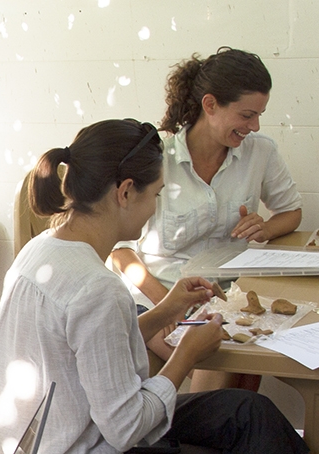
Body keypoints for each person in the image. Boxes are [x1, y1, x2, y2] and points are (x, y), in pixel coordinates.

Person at [0, 119, 309, 454]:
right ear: (124, 192)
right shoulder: (97, 288)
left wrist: (166, 309)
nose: (154, 206)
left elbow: (92, 349)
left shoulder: (43, 248)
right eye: (156, 194)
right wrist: (186, 354)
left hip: (44, 434)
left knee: (248, 412)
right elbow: (126, 428)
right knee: (254, 429)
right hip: (78, 443)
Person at [110, 47, 302, 390]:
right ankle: (198, 435)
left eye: (259, 115)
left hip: (230, 298)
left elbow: (291, 213)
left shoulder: (261, 151)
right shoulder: (157, 159)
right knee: (214, 358)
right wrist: (169, 307)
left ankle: (208, 431)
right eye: (246, 115)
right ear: (210, 105)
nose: (254, 126)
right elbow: (121, 252)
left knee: (255, 352)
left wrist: (266, 226)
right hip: (156, 298)